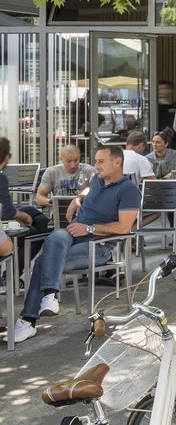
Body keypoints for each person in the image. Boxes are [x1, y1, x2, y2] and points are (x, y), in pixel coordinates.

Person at [10, 146, 141, 344]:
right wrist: (78, 198)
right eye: (95, 161)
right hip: (73, 234)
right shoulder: (97, 180)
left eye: (100, 161)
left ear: (117, 162)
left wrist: (88, 229)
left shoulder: (129, 190)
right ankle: (50, 297)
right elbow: (89, 189)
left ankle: (29, 319)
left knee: (43, 263)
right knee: (56, 236)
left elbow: (124, 227)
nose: (95, 165)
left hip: (97, 245)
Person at [30, 144, 95, 231]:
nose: (73, 165)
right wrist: (53, 202)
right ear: (61, 159)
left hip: (84, 214)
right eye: (69, 161)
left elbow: (98, 193)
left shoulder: (89, 171)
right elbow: (39, 197)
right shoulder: (52, 172)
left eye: (76, 160)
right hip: (60, 215)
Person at [0, 137, 33, 229]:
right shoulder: (1, 178)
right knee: (38, 224)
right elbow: (6, 212)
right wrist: (26, 217)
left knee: (31, 210)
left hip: (4, 220)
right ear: (6, 157)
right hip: (3, 227)